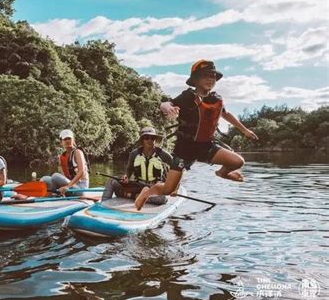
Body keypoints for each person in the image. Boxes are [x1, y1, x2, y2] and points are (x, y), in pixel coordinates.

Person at [135, 59, 258, 210]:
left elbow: (225, 114)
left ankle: (223, 173)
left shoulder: (216, 99)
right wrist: (165, 106)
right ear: (195, 79)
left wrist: (244, 130)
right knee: (168, 190)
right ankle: (147, 192)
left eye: (213, 76)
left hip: (206, 146)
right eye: (205, 76)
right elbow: (167, 104)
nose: (210, 79)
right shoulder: (187, 97)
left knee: (238, 162)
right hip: (184, 149)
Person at [102, 127, 173, 205]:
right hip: (138, 185)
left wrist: (173, 186)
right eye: (146, 138)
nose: (150, 140)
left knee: (162, 199)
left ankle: (128, 195)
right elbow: (129, 170)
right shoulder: (134, 154)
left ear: (155, 140)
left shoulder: (163, 154)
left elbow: (177, 168)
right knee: (112, 181)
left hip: (154, 188)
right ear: (142, 140)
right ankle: (103, 203)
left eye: (152, 138)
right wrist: (126, 177)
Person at [40, 130, 89, 196]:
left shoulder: (78, 152)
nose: (67, 141)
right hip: (71, 185)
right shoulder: (62, 157)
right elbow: (64, 177)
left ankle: (55, 194)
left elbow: (82, 172)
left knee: (55, 176)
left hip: (81, 188)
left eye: (69, 138)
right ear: (61, 142)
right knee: (44, 179)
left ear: (73, 140)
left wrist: (68, 186)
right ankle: (53, 195)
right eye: (65, 139)